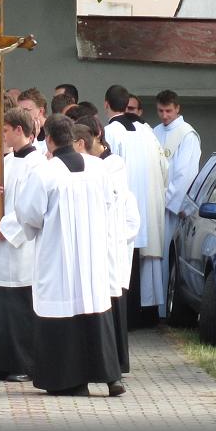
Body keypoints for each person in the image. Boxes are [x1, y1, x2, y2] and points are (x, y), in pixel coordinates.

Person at [15, 114, 124, 397]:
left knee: (62, 311)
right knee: (95, 308)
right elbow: (111, 201)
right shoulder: (98, 168)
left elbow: (29, 214)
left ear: (49, 139)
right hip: (92, 255)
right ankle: (111, 377)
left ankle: (71, 381)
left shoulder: (45, 173)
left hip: (59, 255)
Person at [0, 107, 46, 383]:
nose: (1, 136)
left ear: (19, 130)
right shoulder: (4, 161)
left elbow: (30, 206)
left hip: (19, 250)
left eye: (4, 130)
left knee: (18, 309)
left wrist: (6, 229)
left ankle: (21, 363)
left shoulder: (36, 164)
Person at [74, 124, 140, 374]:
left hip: (112, 251)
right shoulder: (95, 169)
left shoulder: (112, 167)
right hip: (98, 250)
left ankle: (118, 362)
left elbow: (129, 217)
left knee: (113, 308)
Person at [104, 85, 168, 329]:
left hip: (125, 205)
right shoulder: (148, 131)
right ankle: (148, 315)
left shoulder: (111, 132)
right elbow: (165, 167)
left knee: (125, 259)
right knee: (147, 259)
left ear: (107, 104)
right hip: (149, 204)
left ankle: (127, 317)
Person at [153, 90, 201, 319]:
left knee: (167, 256)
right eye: (160, 111)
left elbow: (185, 174)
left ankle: (165, 310)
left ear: (178, 108)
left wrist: (165, 199)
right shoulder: (153, 132)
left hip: (173, 208)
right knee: (155, 256)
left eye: (168, 111)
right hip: (156, 205)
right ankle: (154, 307)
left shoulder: (187, 135)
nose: (164, 116)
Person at [17, 87, 48, 154]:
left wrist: (34, 140)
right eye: (19, 111)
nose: (20, 115)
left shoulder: (53, 132)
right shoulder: (20, 130)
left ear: (40, 111)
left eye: (26, 110)